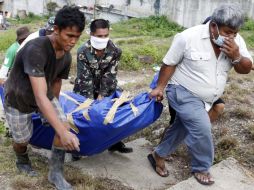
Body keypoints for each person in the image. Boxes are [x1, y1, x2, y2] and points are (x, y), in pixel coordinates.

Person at [148, 4, 252, 186]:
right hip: (181, 90)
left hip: (208, 97)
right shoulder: (187, 37)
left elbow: (245, 69)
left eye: (235, 33)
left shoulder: (237, 42)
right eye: (228, 32)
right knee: (201, 126)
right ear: (214, 26)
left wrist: (236, 56)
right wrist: (160, 87)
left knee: (183, 126)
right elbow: (169, 63)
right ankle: (202, 167)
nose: (231, 37)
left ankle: (158, 154)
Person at [4, 6, 85, 190]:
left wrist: (54, 115)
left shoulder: (66, 56)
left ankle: (55, 173)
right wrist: (63, 133)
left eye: (77, 37)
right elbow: (39, 97)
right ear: (56, 29)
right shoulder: (36, 48)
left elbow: (55, 83)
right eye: (69, 35)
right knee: (22, 140)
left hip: (44, 96)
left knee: (62, 124)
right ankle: (22, 159)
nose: (73, 42)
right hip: (19, 98)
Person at [73, 19, 133, 157]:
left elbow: (110, 75)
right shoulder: (83, 51)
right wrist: (90, 103)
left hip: (106, 87)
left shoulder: (115, 50)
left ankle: (114, 143)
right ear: (91, 34)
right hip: (84, 87)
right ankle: (78, 148)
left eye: (105, 35)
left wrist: (102, 95)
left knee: (112, 113)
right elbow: (84, 78)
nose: (103, 39)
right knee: (83, 116)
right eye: (99, 36)